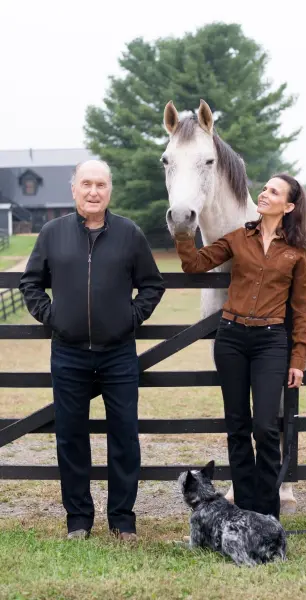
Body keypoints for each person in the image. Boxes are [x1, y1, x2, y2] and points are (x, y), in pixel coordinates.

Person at [19, 160, 165, 541]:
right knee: (70, 437)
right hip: (67, 353)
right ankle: (79, 521)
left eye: (101, 184)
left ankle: (122, 520)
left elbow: (152, 285)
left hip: (118, 354)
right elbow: (31, 283)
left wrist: (128, 319)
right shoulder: (52, 233)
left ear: (109, 190)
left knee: (124, 436)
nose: (93, 191)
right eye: (86, 184)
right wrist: (53, 318)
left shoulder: (129, 233)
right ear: (74, 189)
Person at [173, 174, 306, 520]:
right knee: (237, 426)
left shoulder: (298, 251)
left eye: (273, 192)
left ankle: (268, 514)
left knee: (266, 427)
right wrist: (182, 233)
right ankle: (244, 510)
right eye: (264, 189)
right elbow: (194, 265)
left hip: (270, 342)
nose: (263, 195)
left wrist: (298, 357)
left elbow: (300, 309)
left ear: (289, 205)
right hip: (232, 339)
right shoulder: (238, 238)